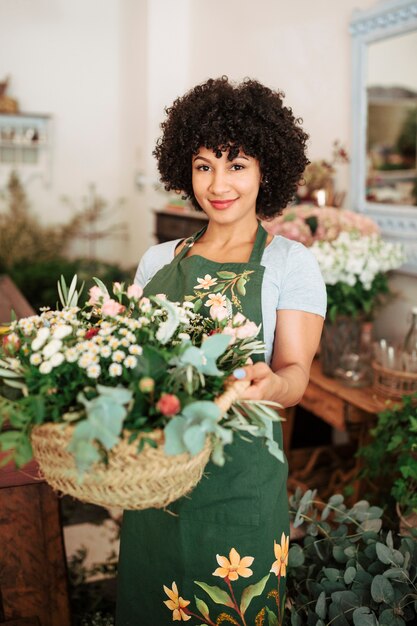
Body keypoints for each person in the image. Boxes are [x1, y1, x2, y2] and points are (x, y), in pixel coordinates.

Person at [116, 76, 326, 624]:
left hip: (243, 487)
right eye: (204, 164)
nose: (218, 183)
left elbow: (296, 373)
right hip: (156, 483)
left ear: (266, 171)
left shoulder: (289, 263)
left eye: (237, 165)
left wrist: (271, 385)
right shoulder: (157, 261)